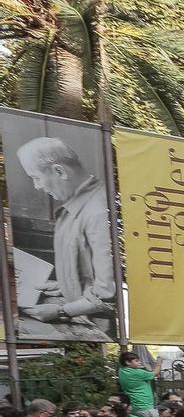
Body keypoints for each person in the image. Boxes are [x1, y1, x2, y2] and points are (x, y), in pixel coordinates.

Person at [15, 136, 115, 338]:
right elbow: (92, 272)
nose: (37, 186)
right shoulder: (76, 205)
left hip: (93, 330)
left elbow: (106, 296)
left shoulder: (96, 212)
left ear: (59, 171)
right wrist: (65, 284)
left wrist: (60, 311)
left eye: (36, 177)